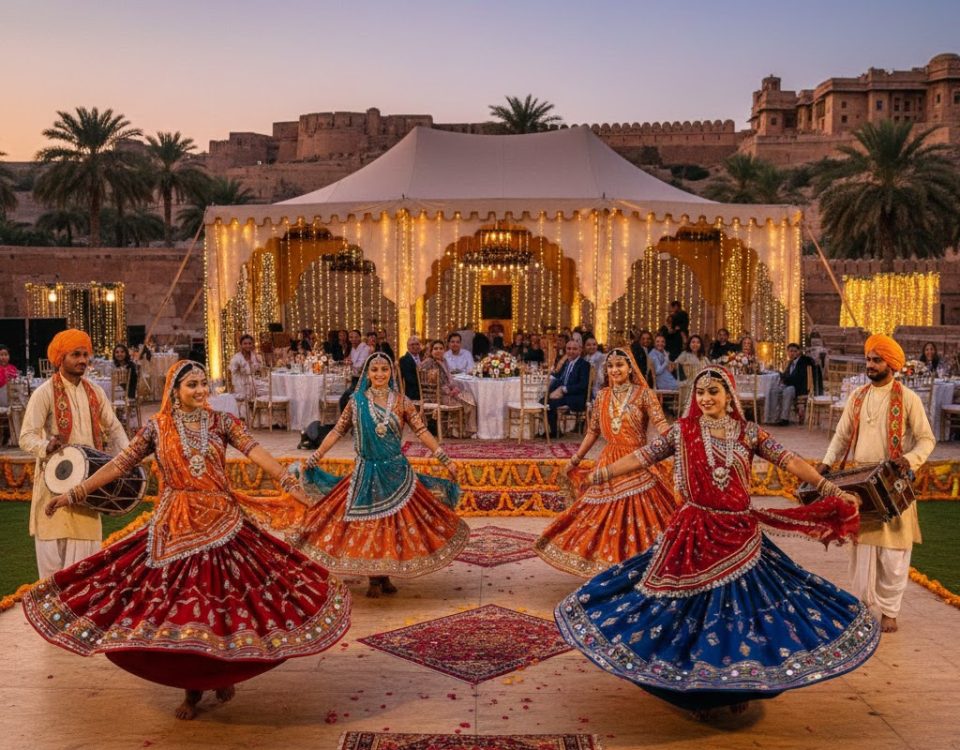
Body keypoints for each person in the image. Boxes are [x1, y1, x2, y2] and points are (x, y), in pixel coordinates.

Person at [23, 360, 350, 720]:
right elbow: (119, 465)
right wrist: (74, 492)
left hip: (223, 523)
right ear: (174, 391)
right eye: (191, 385)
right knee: (180, 612)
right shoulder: (157, 428)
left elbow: (256, 454)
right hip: (174, 526)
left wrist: (290, 486)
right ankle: (192, 689)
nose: (199, 391)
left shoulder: (222, 422)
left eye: (202, 384)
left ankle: (223, 673)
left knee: (224, 609)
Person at [556, 366, 876, 717]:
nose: (706, 398)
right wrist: (600, 473)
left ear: (729, 396)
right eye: (700, 393)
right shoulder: (682, 432)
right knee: (684, 611)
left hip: (738, 533)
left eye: (714, 392)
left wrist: (830, 489)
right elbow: (641, 456)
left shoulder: (749, 433)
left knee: (741, 614)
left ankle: (738, 685)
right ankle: (695, 691)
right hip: (692, 531)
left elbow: (791, 461)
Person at [293, 353, 469, 598]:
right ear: (367, 373)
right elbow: (337, 431)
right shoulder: (356, 401)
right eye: (374, 370)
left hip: (396, 472)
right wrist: (317, 455)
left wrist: (443, 457)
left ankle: (385, 574)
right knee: (369, 525)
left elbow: (421, 431)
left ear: (391, 373)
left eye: (383, 370)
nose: (379, 375)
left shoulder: (401, 401)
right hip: (366, 471)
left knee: (391, 525)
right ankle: (374, 578)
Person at [817, 334, 936, 633]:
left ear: (891, 364)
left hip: (892, 483)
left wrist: (910, 460)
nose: (869, 365)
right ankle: (863, 607)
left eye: (876, 360)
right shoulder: (857, 397)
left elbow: (926, 439)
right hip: (859, 483)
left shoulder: (908, 399)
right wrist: (826, 464)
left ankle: (890, 611)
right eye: (868, 359)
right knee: (861, 553)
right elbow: (842, 435)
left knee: (894, 555)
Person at [535, 348, 680, 575]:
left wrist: (677, 438)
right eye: (610, 366)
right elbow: (592, 432)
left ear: (631, 368)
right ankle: (605, 567)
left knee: (639, 516)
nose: (615, 370)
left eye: (620, 365)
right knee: (599, 516)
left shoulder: (644, 395)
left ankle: (639, 567)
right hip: (607, 460)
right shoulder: (602, 396)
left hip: (637, 461)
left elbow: (661, 425)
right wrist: (576, 459)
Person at [18, 330, 129, 579]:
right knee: (52, 562)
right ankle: (50, 615)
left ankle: (79, 613)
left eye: (85, 355)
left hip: (88, 487)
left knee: (86, 565)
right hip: (54, 484)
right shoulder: (44, 392)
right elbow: (26, 436)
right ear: (60, 358)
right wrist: (46, 446)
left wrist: (128, 457)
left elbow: (113, 427)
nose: (82, 360)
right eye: (75, 355)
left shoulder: (95, 392)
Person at [420, 339, 477, 435]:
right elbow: (432, 384)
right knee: (468, 403)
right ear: (431, 351)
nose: (438, 351)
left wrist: (454, 388)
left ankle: (460, 431)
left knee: (470, 398)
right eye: (435, 349)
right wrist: (450, 391)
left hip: (445, 393)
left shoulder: (443, 360)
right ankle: (464, 431)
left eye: (441, 348)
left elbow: (447, 379)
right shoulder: (428, 363)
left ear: (444, 350)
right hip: (436, 396)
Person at [547, 338, 591, 438]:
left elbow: (583, 385)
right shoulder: (567, 362)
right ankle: (552, 430)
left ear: (580, 350)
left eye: (574, 349)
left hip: (576, 397)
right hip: (565, 395)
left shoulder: (584, 365)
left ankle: (555, 433)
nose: (571, 351)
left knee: (550, 403)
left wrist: (563, 389)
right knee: (543, 400)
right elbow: (559, 377)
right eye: (568, 348)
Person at [770, 343, 815, 425]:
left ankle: (784, 419)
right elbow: (786, 376)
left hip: (800, 388)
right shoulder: (791, 362)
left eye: (795, 351)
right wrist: (779, 373)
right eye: (790, 351)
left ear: (799, 352)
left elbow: (796, 378)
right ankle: (773, 418)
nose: (792, 353)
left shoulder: (803, 362)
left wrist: (783, 378)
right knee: (774, 390)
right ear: (787, 352)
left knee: (788, 391)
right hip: (791, 385)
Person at [339, 330, 372, 411]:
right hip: (354, 378)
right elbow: (350, 362)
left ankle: (346, 421)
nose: (353, 339)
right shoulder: (353, 349)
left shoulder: (365, 348)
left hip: (362, 381)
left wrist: (350, 363)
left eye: (355, 337)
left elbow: (359, 366)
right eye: (351, 337)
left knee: (343, 400)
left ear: (360, 338)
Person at [228, 334, 264, 402]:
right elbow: (230, 372)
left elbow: (259, 370)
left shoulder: (255, 356)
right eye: (245, 344)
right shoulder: (236, 358)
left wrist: (259, 363)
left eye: (250, 343)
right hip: (240, 384)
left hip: (252, 383)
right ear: (241, 345)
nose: (248, 346)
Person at [398, 335, 423, 401]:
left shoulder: (424, 358)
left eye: (417, 344)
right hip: (412, 394)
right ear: (408, 346)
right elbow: (410, 379)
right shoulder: (403, 360)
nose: (415, 347)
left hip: (426, 392)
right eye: (412, 344)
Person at [582, 335, 605, 399]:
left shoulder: (602, 357)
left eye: (594, 344)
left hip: (599, 387)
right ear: (584, 347)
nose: (592, 347)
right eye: (588, 345)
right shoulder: (585, 359)